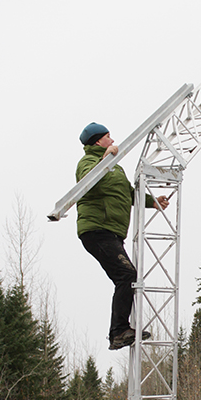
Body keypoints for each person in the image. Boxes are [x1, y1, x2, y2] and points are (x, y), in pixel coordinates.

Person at [76, 122, 169, 350]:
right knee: (127, 275)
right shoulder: (89, 162)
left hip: (112, 233)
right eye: (108, 137)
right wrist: (105, 159)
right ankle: (118, 332)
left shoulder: (116, 168)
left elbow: (127, 193)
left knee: (127, 276)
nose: (113, 140)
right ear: (98, 141)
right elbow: (88, 181)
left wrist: (152, 202)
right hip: (97, 230)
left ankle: (119, 331)